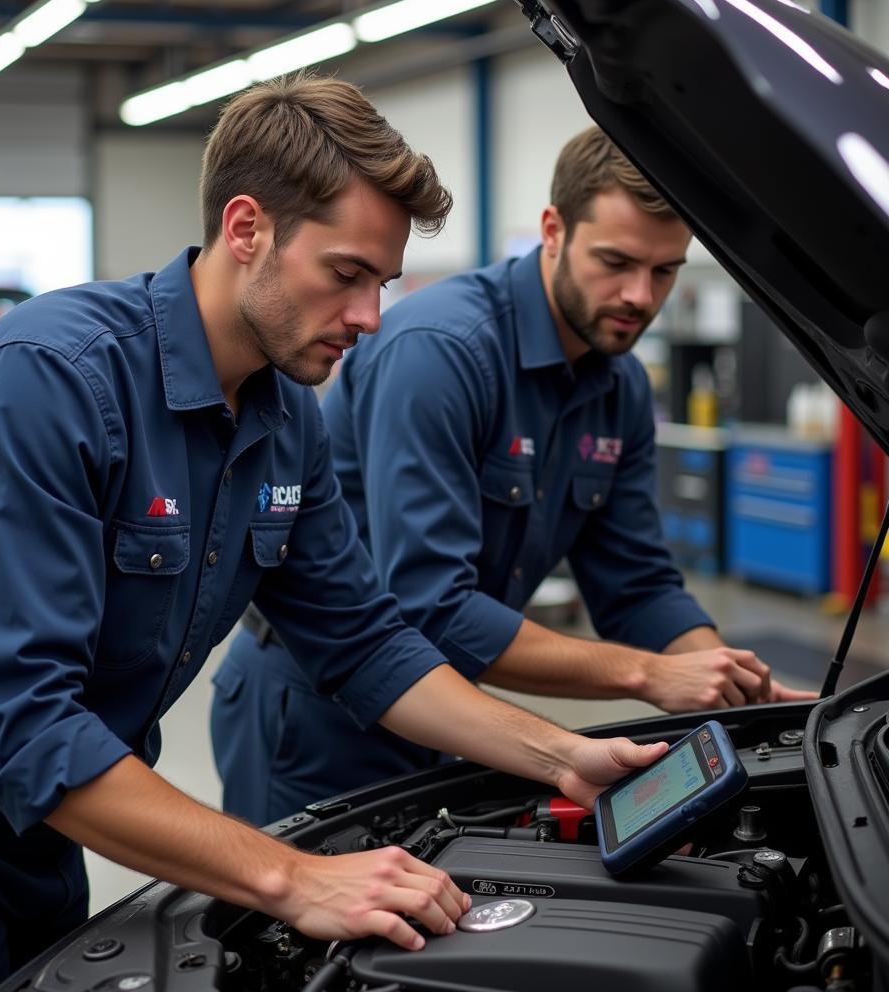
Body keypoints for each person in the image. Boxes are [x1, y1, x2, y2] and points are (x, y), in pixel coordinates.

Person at [0, 80, 670, 992]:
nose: (370, 318)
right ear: (247, 228)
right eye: (346, 275)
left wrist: (566, 757)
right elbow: (20, 724)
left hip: (51, 839)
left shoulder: (287, 415)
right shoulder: (52, 379)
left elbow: (364, 641)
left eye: (383, 283)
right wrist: (292, 876)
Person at [212, 125, 816, 826]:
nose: (639, 296)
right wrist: (650, 674)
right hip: (318, 711)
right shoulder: (440, 353)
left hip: (455, 712)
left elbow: (637, 582)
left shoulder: (617, 388)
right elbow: (431, 606)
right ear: (553, 230)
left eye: (665, 271)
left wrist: (731, 683)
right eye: (616, 261)